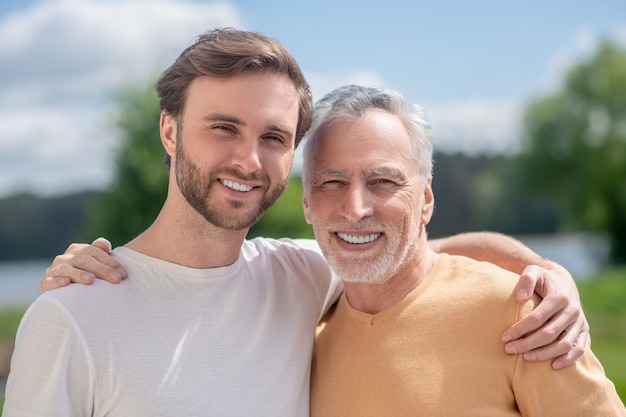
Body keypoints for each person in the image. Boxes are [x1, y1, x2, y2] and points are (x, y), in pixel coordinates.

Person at [3, 28, 585, 417]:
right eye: (223, 127)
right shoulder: (72, 317)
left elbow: (414, 255)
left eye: (274, 138)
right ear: (170, 131)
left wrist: (547, 274)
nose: (248, 160)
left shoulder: (298, 276)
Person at [302, 85, 625, 416]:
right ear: (307, 204)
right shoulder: (304, 336)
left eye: (383, 181)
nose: (356, 209)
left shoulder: (524, 317)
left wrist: (547, 267)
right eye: (332, 183)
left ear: (425, 200)